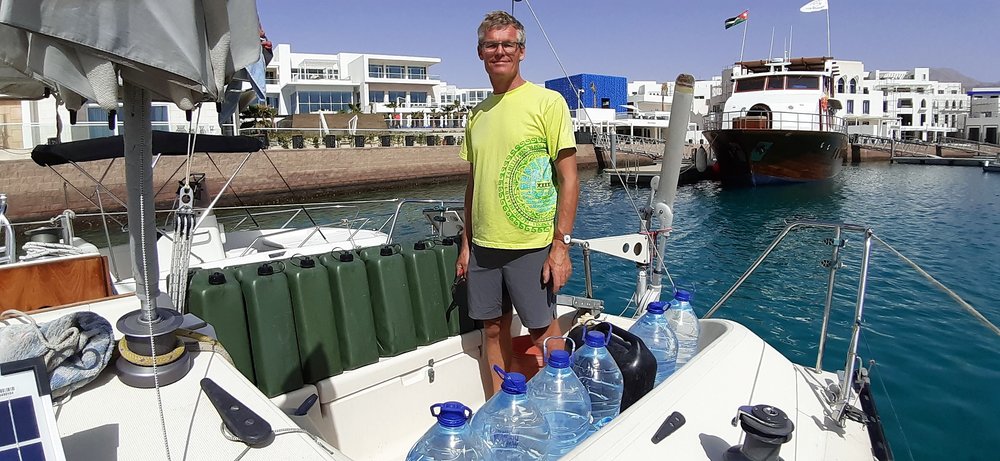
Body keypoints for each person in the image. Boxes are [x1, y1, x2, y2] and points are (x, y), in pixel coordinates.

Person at [456, 11, 579, 395]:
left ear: (522, 51)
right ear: (480, 52)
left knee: (543, 330)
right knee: (492, 329)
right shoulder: (476, 114)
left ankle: (560, 405)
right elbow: (474, 183)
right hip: (484, 247)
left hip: (532, 244)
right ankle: (498, 407)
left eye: (508, 44)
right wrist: (465, 245)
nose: (500, 51)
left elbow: (569, 178)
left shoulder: (548, 102)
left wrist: (561, 245)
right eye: (492, 45)